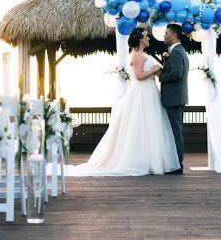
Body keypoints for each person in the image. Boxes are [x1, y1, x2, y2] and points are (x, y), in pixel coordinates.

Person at [71, 28, 180, 176]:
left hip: (150, 93)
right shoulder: (136, 55)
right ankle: (140, 161)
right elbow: (139, 76)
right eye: (146, 36)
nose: (149, 38)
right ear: (140, 39)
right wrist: (154, 70)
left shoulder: (143, 55)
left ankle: (152, 160)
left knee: (152, 127)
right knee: (140, 126)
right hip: (142, 93)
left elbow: (159, 72)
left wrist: (161, 66)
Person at [159, 23, 189, 174]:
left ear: (174, 35)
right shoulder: (177, 51)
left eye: (166, 33)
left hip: (174, 97)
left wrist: (160, 76)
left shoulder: (177, 52)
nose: (164, 35)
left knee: (175, 131)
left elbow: (176, 73)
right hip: (175, 97)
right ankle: (175, 162)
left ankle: (178, 164)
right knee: (174, 130)